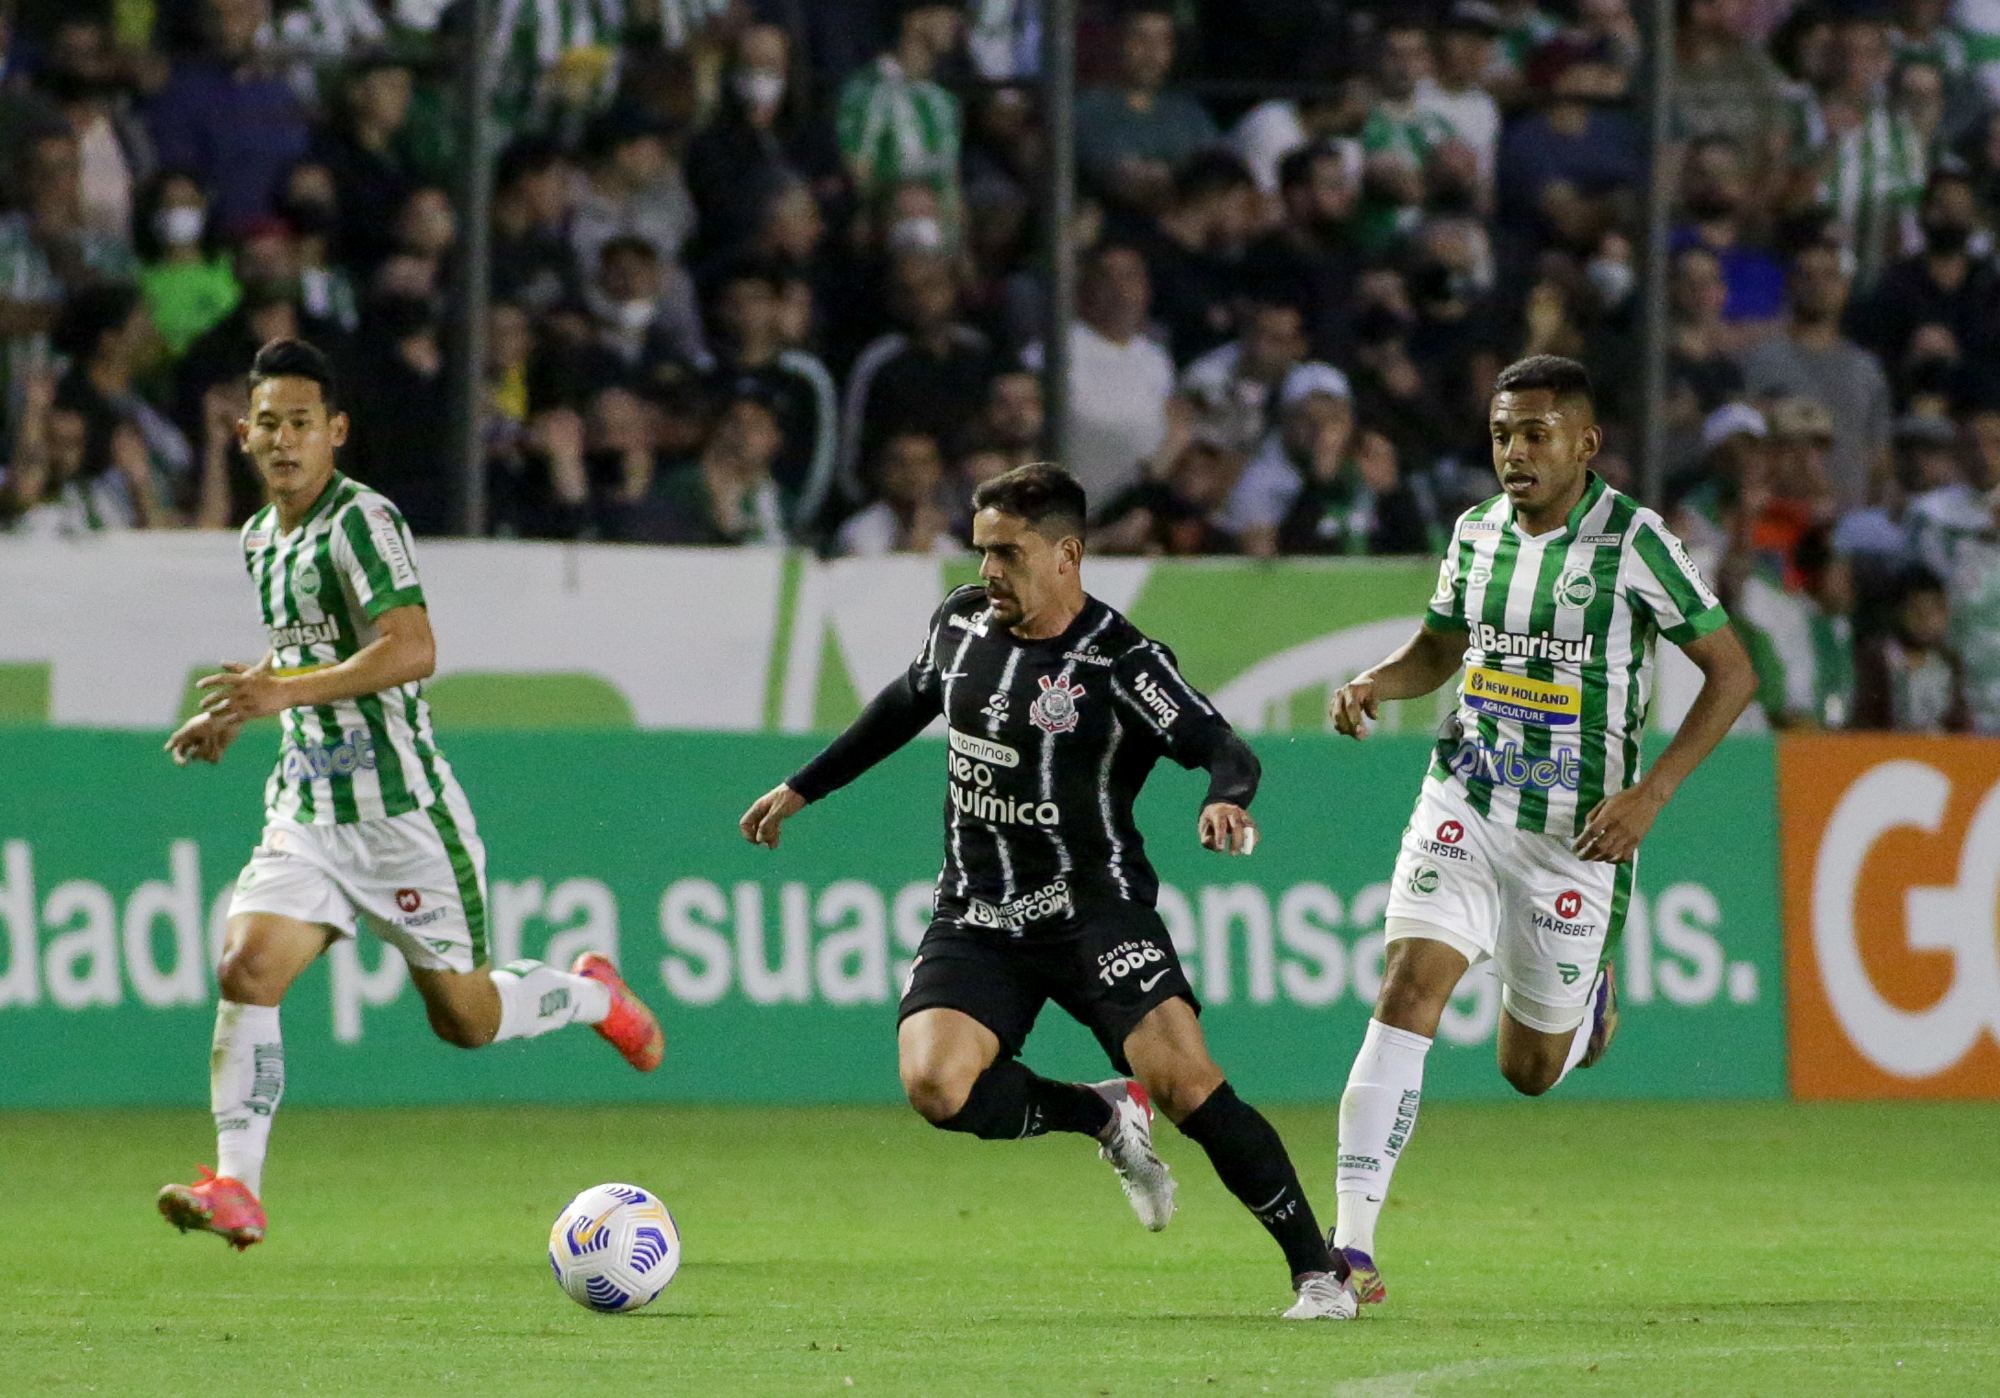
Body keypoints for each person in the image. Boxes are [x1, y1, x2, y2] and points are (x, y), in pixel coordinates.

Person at [738, 463, 1357, 1321]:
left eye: (1008, 553)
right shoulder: (960, 621)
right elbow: (905, 701)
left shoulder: (1121, 661)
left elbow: (1224, 745)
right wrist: (803, 786)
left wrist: (1226, 797)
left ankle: (1318, 1273)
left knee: (1185, 1084)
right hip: (977, 912)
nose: (988, 570)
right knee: (935, 1088)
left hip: (1094, 912)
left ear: (1067, 555)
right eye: (982, 549)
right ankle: (1099, 1116)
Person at [155, 338, 664, 1251]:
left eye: (301, 424)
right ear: (242, 433)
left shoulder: (363, 521)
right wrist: (245, 710)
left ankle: (592, 994)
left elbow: (412, 647)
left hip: (403, 820)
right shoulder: (260, 538)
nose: (283, 440)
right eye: (267, 423)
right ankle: (238, 1187)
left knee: (465, 1022)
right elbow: (312, 650)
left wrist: (281, 692)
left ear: (335, 433)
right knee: (246, 967)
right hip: (308, 812)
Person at [1323, 354, 1756, 1307]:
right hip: (1466, 801)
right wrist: (1371, 682)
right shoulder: (1476, 532)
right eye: (1501, 435)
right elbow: (1439, 649)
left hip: (1577, 837)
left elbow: (1732, 671)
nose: (1513, 454)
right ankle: (1348, 1248)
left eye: (1534, 435)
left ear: (1585, 444)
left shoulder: (1636, 542)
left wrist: (1653, 793)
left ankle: (1585, 987)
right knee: (1407, 986)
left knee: (1529, 1070)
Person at [1074, 2, 1219, 214]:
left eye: (1163, 41)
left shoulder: (1188, 111)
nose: (1151, 52)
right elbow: (1113, 175)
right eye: (1140, 39)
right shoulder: (1089, 109)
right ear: (1117, 42)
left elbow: (1216, 167)